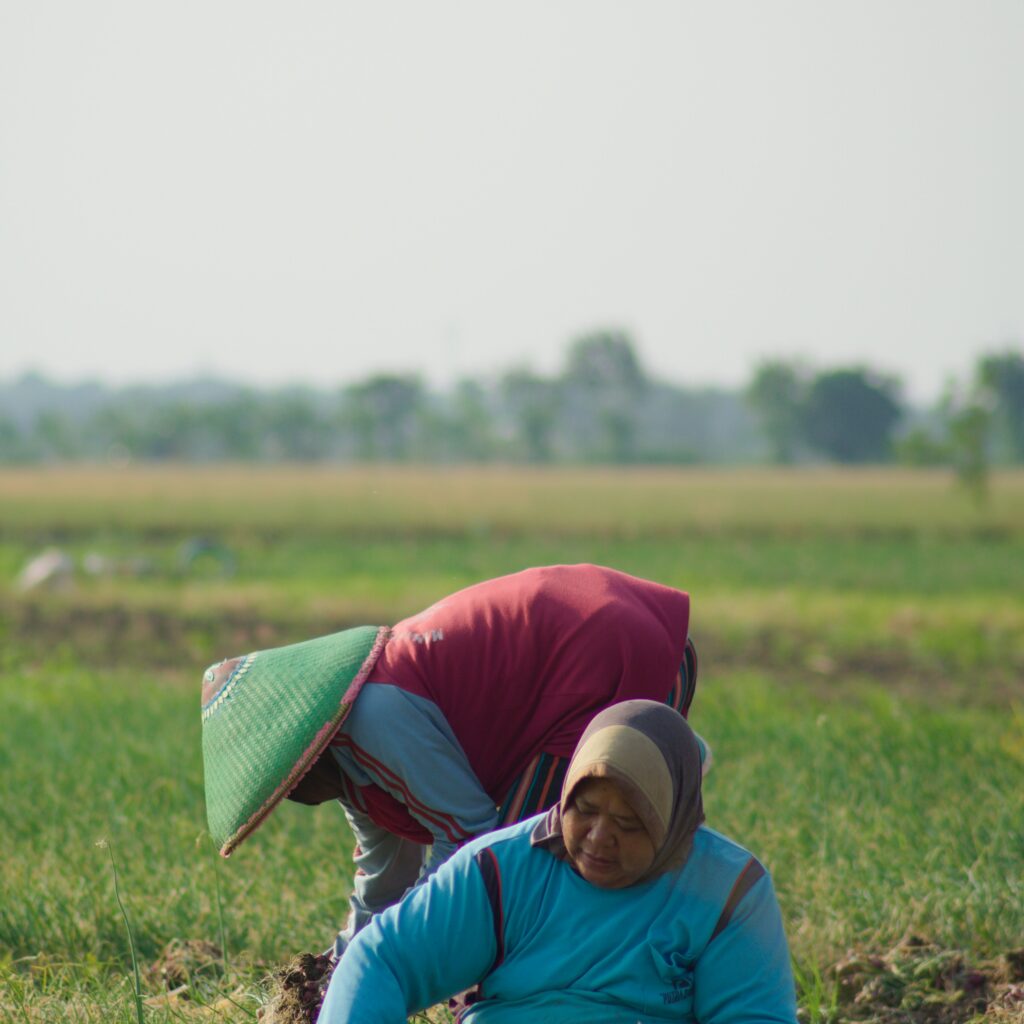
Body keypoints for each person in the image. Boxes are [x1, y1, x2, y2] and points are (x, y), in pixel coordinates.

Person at [200, 563, 706, 953]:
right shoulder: (355, 770)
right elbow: (385, 882)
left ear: (304, 753)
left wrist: (405, 952)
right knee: (529, 870)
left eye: (283, 783)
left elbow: (471, 839)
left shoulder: (373, 718)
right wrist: (343, 963)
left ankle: (622, 973)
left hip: (608, 654)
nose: (289, 796)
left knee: (540, 854)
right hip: (606, 642)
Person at [317, 700, 796, 1024]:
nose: (599, 837)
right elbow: (382, 959)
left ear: (674, 823)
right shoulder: (502, 870)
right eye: (584, 810)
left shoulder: (729, 891)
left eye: (630, 824)